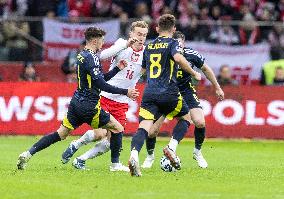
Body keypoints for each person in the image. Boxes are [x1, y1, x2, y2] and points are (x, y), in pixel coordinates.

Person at [17, 27, 139, 170]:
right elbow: (101, 84)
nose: (102, 44)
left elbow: (98, 80)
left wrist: (116, 69)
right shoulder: (92, 58)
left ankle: (28, 153)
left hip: (76, 103)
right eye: (102, 40)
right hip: (89, 106)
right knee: (118, 128)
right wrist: (126, 91)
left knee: (60, 134)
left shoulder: (81, 55)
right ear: (95, 40)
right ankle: (115, 165)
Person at [61, 21, 149, 171]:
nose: (141, 38)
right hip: (106, 96)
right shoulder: (122, 43)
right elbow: (102, 56)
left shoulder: (146, 53)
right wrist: (126, 44)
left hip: (123, 101)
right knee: (101, 132)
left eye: (144, 35)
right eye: (138, 34)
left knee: (111, 140)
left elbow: (145, 71)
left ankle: (80, 158)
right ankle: (82, 147)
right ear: (131, 34)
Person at [128, 14, 202, 177]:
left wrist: (130, 87)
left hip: (149, 92)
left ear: (156, 29)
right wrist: (193, 72)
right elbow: (178, 58)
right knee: (186, 118)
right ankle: (171, 147)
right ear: (173, 29)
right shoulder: (173, 43)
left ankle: (134, 155)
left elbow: (142, 71)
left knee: (144, 128)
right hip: (168, 92)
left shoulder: (149, 45)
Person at [141, 31, 224, 169]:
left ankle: (197, 152)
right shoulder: (164, 54)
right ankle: (150, 157)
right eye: (175, 43)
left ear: (183, 42)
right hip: (166, 92)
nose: (178, 46)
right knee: (152, 131)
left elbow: (206, 69)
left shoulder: (191, 54)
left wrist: (217, 87)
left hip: (185, 91)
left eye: (180, 43)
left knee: (200, 122)